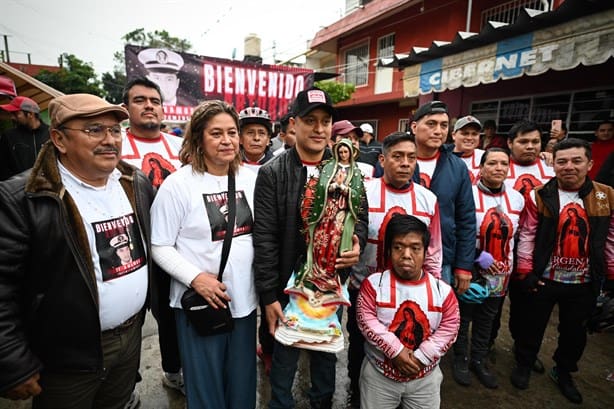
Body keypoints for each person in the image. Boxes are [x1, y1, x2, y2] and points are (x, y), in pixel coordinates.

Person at [0, 93, 154, 407]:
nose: (109, 140)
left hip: (130, 339)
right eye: (94, 130)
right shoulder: (23, 197)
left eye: (114, 130)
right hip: (66, 355)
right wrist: (12, 362)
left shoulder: (134, 182)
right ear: (58, 139)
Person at [253, 86, 367, 409]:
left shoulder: (347, 171)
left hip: (331, 287)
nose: (319, 129)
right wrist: (269, 297)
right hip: (288, 290)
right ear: (294, 124)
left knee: (325, 365)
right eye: (310, 120)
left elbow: (360, 217)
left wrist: (355, 242)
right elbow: (264, 239)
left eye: (325, 121)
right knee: (283, 368)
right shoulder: (272, 173)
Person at [150, 100, 258, 409]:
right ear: (198, 139)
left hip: (244, 304)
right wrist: (196, 279)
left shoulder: (251, 179)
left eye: (232, 132)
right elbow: (159, 245)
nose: (227, 140)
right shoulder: (177, 186)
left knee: (242, 387)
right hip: (200, 306)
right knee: (206, 390)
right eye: (216, 133)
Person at [511, 138, 614, 404]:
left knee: (574, 333)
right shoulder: (540, 195)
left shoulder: (606, 196)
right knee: (530, 327)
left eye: (576, 161)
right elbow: (528, 235)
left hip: (585, 282)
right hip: (544, 279)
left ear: (589, 163)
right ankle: (524, 362)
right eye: (562, 161)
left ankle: (564, 371)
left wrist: (611, 273)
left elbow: (611, 237)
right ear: (553, 164)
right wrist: (525, 271)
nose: (569, 167)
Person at [346, 131, 442, 408]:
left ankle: (405, 393)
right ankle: (359, 392)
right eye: (397, 156)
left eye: (411, 157)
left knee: (410, 341)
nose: (405, 163)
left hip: (413, 292)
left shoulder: (428, 199)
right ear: (382, 159)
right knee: (360, 347)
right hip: (364, 291)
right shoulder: (363, 192)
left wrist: (433, 287)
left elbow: (433, 248)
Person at [120, 77, 185, 399]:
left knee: (171, 316)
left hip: (175, 247)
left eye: (154, 101)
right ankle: (123, 383)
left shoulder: (179, 147)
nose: (149, 106)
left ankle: (173, 371)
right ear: (125, 108)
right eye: (140, 100)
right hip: (130, 247)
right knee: (128, 317)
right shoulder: (114, 146)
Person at [356, 214, 459, 409]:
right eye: (398, 247)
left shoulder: (442, 291)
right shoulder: (373, 285)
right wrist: (395, 351)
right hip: (380, 377)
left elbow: (450, 327)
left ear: (425, 251)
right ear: (388, 250)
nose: (406, 254)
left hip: (424, 381)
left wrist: (422, 358)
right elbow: (366, 320)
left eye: (415, 248)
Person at [452, 148, 524, 389]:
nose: (498, 168)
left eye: (504, 163)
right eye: (492, 163)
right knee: (464, 319)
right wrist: (475, 257)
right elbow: (457, 232)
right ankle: (460, 359)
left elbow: (518, 236)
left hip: (501, 274)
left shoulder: (517, 198)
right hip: (470, 270)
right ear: (481, 168)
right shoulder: (467, 195)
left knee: (488, 320)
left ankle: (479, 360)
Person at [500, 120, 555, 372]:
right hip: (498, 249)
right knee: (493, 303)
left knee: (527, 306)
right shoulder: (496, 166)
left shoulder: (550, 172)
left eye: (535, 142)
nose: (530, 147)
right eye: (523, 141)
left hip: (534, 252)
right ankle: (485, 347)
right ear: (510, 143)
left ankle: (524, 352)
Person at [411, 100, 476, 293]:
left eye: (444, 125)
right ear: (414, 127)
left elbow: (466, 219)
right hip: (399, 255)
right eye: (431, 124)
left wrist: (464, 265)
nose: (438, 131)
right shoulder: (395, 159)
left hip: (442, 260)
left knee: (436, 316)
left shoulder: (457, 167)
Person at [0, 96, 50, 180]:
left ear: (30, 114)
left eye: (16, 114)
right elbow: (2, 167)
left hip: (47, 188)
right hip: (17, 190)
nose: (12, 117)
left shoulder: (51, 134)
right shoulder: (8, 136)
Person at [449, 115, 484, 184]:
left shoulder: (485, 156)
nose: (469, 138)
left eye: (474, 134)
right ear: (453, 135)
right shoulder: (443, 156)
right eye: (465, 133)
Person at [239, 106, 274, 173]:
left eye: (261, 133)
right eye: (250, 133)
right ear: (240, 139)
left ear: (268, 140)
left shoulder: (278, 167)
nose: (256, 138)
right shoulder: (228, 165)